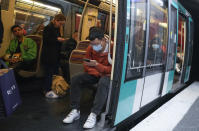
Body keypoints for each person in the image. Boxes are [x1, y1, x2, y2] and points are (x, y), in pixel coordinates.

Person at [63, 27, 112, 129]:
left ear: (103, 40)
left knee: (103, 82)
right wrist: (95, 72)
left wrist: (97, 65)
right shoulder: (91, 48)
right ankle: (75, 110)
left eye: (96, 44)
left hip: (106, 76)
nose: (94, 47)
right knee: (76, 79)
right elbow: (86, 64)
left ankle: (94, 113)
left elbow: (112, 69)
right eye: (92, 44)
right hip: (95, 74)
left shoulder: (113, 48)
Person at [41, 14, 66, 98]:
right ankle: (46, 90)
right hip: (48, 55)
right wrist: (57, 39)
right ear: (56, 20)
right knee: (48, 73)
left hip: (55, 55)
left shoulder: (57, 28)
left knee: (53, 73)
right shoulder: (48, 28)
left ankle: (53, 89)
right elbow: (46, 40)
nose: (61, 25)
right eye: (60, 23)